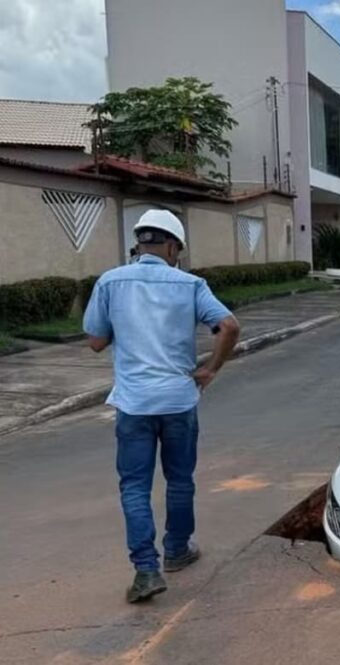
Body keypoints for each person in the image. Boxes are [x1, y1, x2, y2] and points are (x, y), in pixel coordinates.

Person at [83, 209, 240, 603]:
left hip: (134, 404)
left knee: (134, 485)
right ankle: (177, 550)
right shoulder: (190, 284)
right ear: (172, 246)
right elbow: (229, 326)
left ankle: (146, 570)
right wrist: (211, 369)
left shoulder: (110, 281)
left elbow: (96, 341)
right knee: (180, 478)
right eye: (177, 251)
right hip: (178, 400)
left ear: (140, 244)